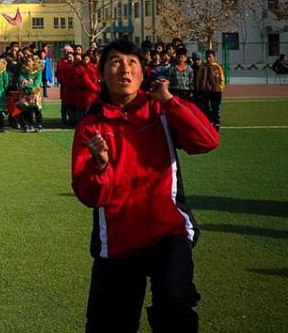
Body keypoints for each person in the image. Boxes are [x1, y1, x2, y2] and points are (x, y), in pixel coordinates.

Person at [72, 39, 219, 333]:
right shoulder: (90, 126)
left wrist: (171, 102)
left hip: (168, 231)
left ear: (142, 73)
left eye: (132, 62)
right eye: (115, 62)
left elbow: (207, 141)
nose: (124, 69)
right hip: (118, 240)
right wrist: (100, 165)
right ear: (102, 73)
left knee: (174, 302)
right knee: (108, 324)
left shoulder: (161, 111)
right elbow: (89, 196)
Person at [195, 50, 225, 131]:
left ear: (214, 57)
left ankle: (217, 123)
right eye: (207, 57)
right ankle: (209, 122)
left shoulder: (218, 67)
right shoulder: (203, 67)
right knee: (206, 108)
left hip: (216, 91)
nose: (208, 59)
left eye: (210, 57)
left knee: (215, 108)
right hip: (204, 91)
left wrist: (220, 88)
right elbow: (198, 79)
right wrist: (199, 89)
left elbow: (222, 79)